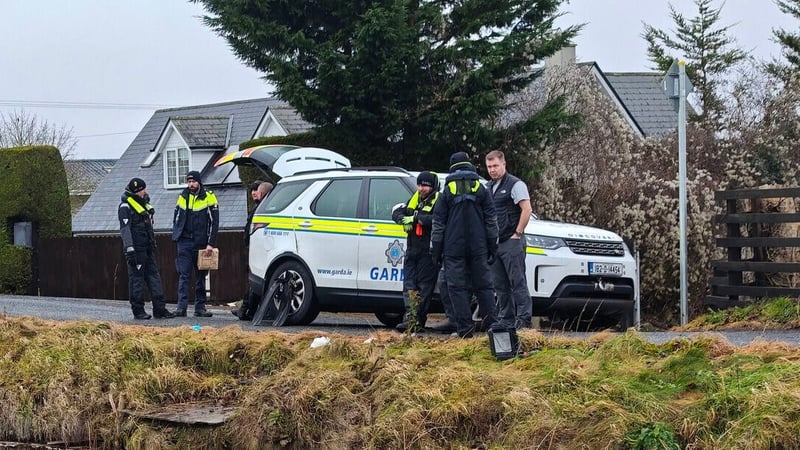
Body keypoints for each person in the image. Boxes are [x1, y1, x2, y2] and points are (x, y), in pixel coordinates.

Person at [430, 151, 499, 338]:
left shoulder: (447, 191)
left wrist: (435, 252)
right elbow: (491, 222)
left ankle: (465, 330)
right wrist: (493, 246)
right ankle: (494, 329)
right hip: (479, 248)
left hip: (453, 249)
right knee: (484, 287)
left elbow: (438, 226)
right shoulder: (482, 189)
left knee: (457, 289)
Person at [485, 150, 534, 329]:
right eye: (489, 166)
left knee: (517, 281)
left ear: (504, 164)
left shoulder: (515, 184)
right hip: (495, 244)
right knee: (500, 284)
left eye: (495, 166)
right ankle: (506, 318)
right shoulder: (489, 187)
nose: (492, 170)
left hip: (511, 241)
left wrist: (518, 233)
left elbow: (527, 209)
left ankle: (523, 319)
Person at [118, 177, 175, 320]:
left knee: (154, 277)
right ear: (136, 192)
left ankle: (160, 309)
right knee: (136, 280)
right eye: (142, 189)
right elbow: (125, 229)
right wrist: (129, 248)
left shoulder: (144, 205)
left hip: (148, 248)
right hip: (136, 250)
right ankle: (138, 310)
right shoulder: (125, 207)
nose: (145, 191)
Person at [392, 171, 440, 332]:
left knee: (424, 287)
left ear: (433, 186)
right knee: (409, 285)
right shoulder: (415, 198)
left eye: (425, 185)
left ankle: (418, 320)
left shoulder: (439, 200)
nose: (421, 188)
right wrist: (401, 219)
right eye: (420, 185)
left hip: (428, 250)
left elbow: (438, 219)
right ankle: (410, 318)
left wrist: (416, 219)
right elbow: (398, 211)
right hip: (412, 249)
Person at [172, 170, 219, 317]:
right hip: (184, 241)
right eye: (189, 182)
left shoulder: (209, 196)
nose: (191, 184)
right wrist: (177, 236)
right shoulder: (182, 196)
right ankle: (181, 308)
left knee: (200, 276)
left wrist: (210, 243)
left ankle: (200, 308)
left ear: (199, 182)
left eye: (193, 181)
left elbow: (215, 222)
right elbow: (176, 217)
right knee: (184, 275)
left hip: (201, 243)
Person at [233, 180, 274, 320]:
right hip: (256, 247)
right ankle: (247, 309)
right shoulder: (261, 207)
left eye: (256, 190)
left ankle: (248, 310)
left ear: (261, 192)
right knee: (253, 280)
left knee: (254, 280)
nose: (253, 193)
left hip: (257, 248)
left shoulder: (263, 209)